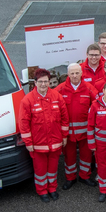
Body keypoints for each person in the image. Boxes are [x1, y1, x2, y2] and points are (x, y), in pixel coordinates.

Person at [19, 68, 69, 202]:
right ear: (35, 83)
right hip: (38, 144)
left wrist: (64, 136)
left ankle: (52, 189)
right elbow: (24, 123)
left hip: (55, 142)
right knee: (40, 171)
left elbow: (64, 117)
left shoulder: (56, 96)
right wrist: (28, 143)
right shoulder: (27, 100)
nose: (43, 84)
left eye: (45, 81)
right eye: (40, 81)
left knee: (52, 169)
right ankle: (42, 191)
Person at [55, 63, 98, 190]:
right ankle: (70, 178)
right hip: (68, 133)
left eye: (77, 73)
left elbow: (97, 103)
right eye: (72, 73)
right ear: (68, 74)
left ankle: (85, 176)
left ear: (81, 73)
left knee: (86, 155)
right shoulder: (60, 89)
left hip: (85, 131)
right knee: (69, 156)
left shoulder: (89, 88)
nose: (74, 76)